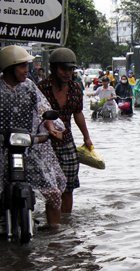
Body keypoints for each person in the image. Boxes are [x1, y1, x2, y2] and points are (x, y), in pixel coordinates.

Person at [0, 45, 67, 228]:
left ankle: (54, 232)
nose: (26, 70)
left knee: (53, 192)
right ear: (9, 67)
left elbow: (43, 108)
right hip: (1, 148)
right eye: (22, 66)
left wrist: (50, 126)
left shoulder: (29, 86)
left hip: (28, 147)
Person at [37, 47, 94, 215]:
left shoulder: (76, 89)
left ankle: (66, 225)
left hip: (67, 142)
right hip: (45, 143)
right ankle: (54, 226)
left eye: (70, 69)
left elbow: (78, 114)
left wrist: (87, 138)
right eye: (63, 69)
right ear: (53, 68)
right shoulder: (41, 88)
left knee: (68, 187)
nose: (67, 73)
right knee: (51, 188)